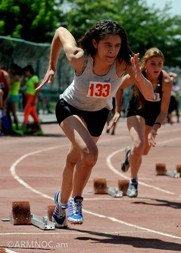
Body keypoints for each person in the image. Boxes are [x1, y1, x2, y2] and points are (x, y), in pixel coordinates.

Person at [36, 20, 154, 227]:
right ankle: (76, 201)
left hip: (98, 114)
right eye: (108, 45)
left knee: (76, 159)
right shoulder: (80, 58)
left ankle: (61, 205)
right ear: (95, 43)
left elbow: (149, 95)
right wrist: (51, 66)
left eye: (117, 46)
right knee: (90, 153)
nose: (113, 51)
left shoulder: (123, 63)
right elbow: (60, 31)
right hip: (70, 108)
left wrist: (137, 76)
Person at [110, 47, 172, 198]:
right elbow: (119, 87)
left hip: (153, 116)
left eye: (160, 64)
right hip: (136, 112)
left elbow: (164, 111)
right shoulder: (136, 75)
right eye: (153, 64)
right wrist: (118, 110)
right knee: (139, 145)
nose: (157, 67)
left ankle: (129, 153)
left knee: (143, 151)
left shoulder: (166, 81)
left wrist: (154, 130)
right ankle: (134, 181)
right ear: (146, 63)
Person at [22, 64, 43, 135]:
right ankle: (39, 129)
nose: (25, 74)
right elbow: (21, 84)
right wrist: (24, 77)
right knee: (33, 114)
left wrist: (34, 99)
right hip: (28, 98)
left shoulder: (35, 78)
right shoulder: (27, 78)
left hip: (32, 97)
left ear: (29, 71)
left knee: (26, 112)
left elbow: (37, 89)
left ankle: (23, 128)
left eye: (25, 72)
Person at [6, 63, 22, 133]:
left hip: (13, 95)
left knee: (14, 113)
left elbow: (10, 83)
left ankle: (18, 127)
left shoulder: (16, 77)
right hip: (11, 95)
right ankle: (11, 127)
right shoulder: (14, 76)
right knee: (7, 112)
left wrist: (8, 74)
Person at [0, 63, 11, 135]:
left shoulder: (5, 75)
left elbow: (9, 88)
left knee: (5, 113)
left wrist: (6, 99)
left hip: (4, 97)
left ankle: (7, 129)